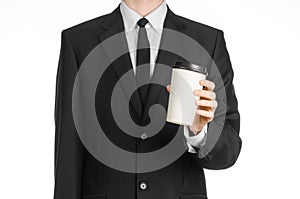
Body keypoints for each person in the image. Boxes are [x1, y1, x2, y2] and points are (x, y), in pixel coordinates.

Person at [54, 0, 242, 198]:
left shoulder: (207, 41)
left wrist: (199, 133)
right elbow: (68, 148)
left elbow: (228, 153)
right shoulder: (79, 41)